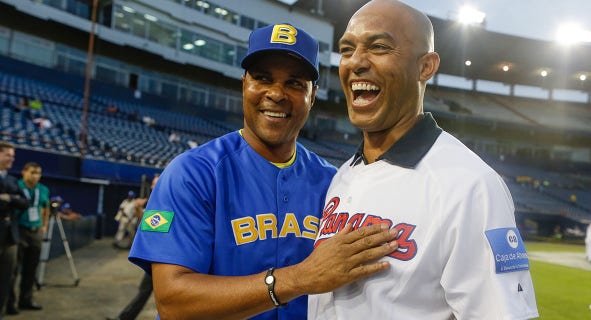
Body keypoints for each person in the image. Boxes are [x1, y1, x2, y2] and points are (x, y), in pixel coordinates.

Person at [128, 23, 398, 319]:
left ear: (313, 94)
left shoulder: (332, 183)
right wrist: (298, 278)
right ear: (244, 83)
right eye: (263, 78)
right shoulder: (193, 174)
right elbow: (172, 302)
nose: (276, 93)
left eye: (295, 83)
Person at [307, 1, 539, 319]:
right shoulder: (343, 175)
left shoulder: (471, 185)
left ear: (425, 67)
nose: (356, 61)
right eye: (347, 49)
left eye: (378, 46)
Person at [106, 175, 158, 320]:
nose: (153, 186)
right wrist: (138, 208)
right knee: (143, 292)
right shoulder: (152, 201)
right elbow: (146, 225)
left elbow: (155, 226)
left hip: (166, 259)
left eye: (156, 183)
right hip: (154, 258)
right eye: (152, 184)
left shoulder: (166, 200)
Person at [7, 162, 49, 314]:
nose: (35, 176)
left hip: (35, 231)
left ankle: (26, 300)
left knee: (31, 269)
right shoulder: (15, 186)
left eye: (38, 173)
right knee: (12, 269)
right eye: (32, 172)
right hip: (19, 230)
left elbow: (45, 208)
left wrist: (44, 226)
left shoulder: (43, 189)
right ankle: (10, 303)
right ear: (24, 172)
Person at [0, 142, 29, 318]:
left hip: (10, 236)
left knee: (6, 278)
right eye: (8, 155)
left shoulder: (12, 180)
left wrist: (9, 197)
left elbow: (24, 202)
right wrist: (13, 199)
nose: (12, 158)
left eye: (13, 155)